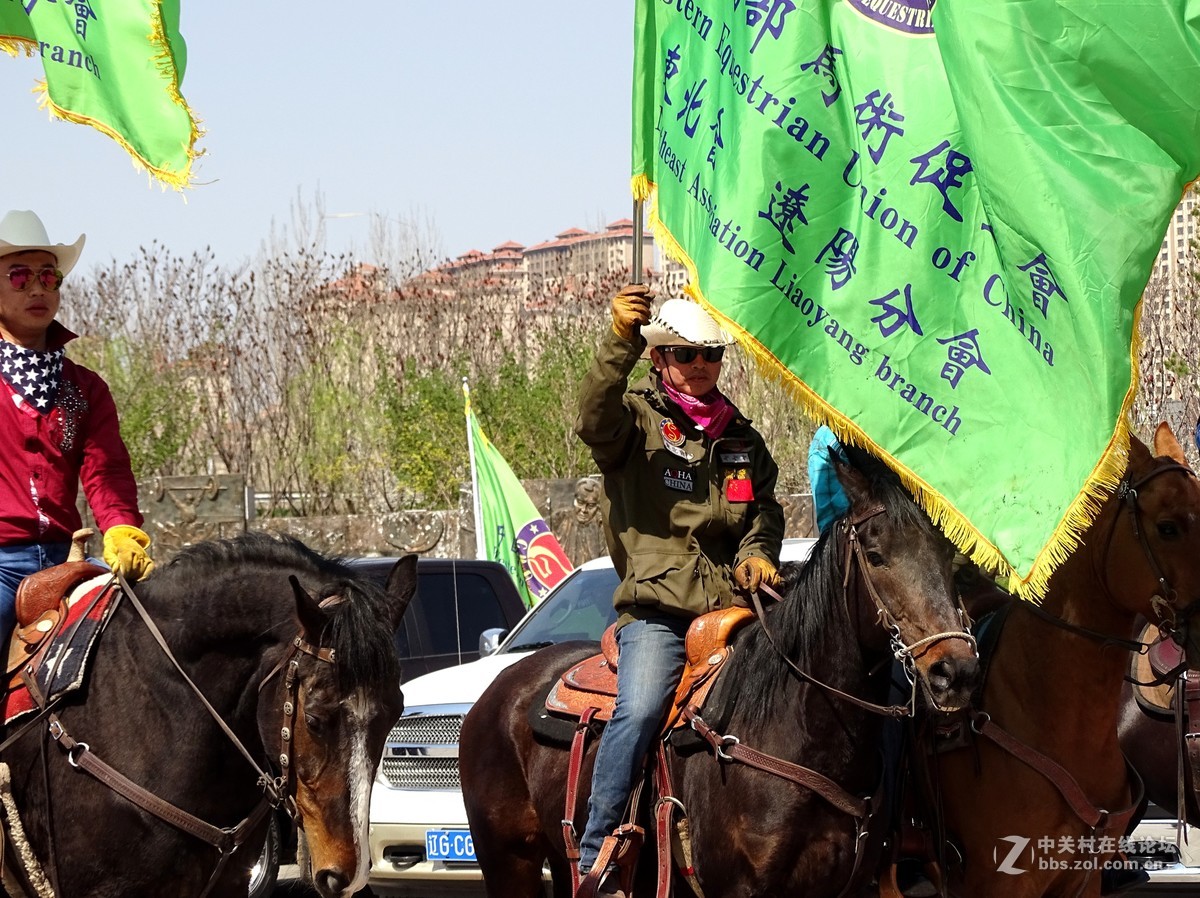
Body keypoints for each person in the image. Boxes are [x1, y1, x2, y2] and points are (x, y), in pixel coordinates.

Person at [573, 283, 785, 895]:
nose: (700, 365)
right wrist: (619, 340)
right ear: (659, 357)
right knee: (640, 710)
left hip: (736, 610)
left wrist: (757, 553)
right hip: (659, 613)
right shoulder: (636, 422)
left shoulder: (742, 439)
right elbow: (591, 417)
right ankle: (600, 850)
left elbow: (764, 512)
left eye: (710, 355)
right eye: (686, 354)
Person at [0, 210, 154, 644]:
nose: (37, 288)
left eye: (49, 277)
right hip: (1, 565)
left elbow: (106, 472)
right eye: (19, 277)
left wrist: (121, 529)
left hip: (67, 557)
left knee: (151, 631)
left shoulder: (85, 388)